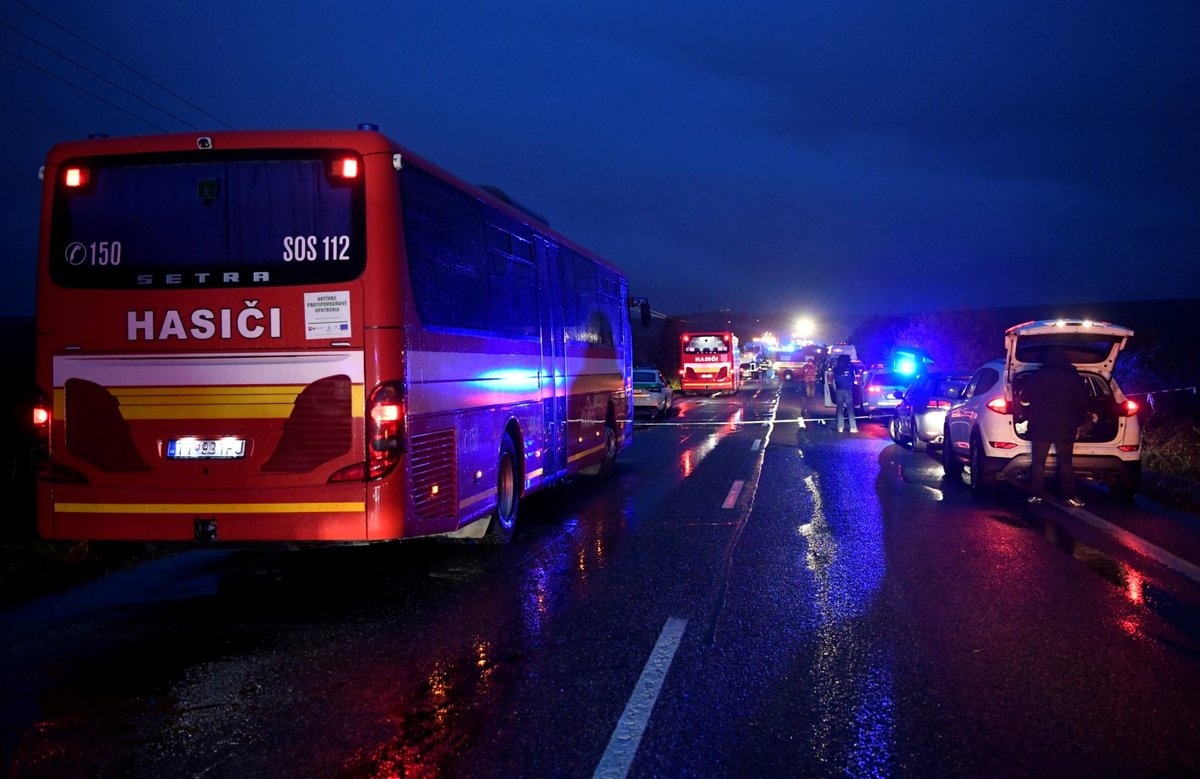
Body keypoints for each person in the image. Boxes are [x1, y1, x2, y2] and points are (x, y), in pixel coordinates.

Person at [1023, 347, 1089, 506]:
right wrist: (1079, 423)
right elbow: (1081, 404)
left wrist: (1027, 413)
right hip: (1065, 426)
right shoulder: (1073, 378)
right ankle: (1070, 497)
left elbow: (1024, 400)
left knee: (1039, 462)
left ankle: (1036, 495)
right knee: (1066, 462)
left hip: (1040, 425)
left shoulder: (1036, 377)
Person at [830, 354, 858, 433]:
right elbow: (854, 377)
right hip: (848, 389)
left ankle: (840, 427)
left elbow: (833, 379)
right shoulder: (850, 368)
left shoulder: (836, 369)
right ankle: (853, 427)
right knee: (850, 409)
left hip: (839, 390)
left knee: (840, 409)